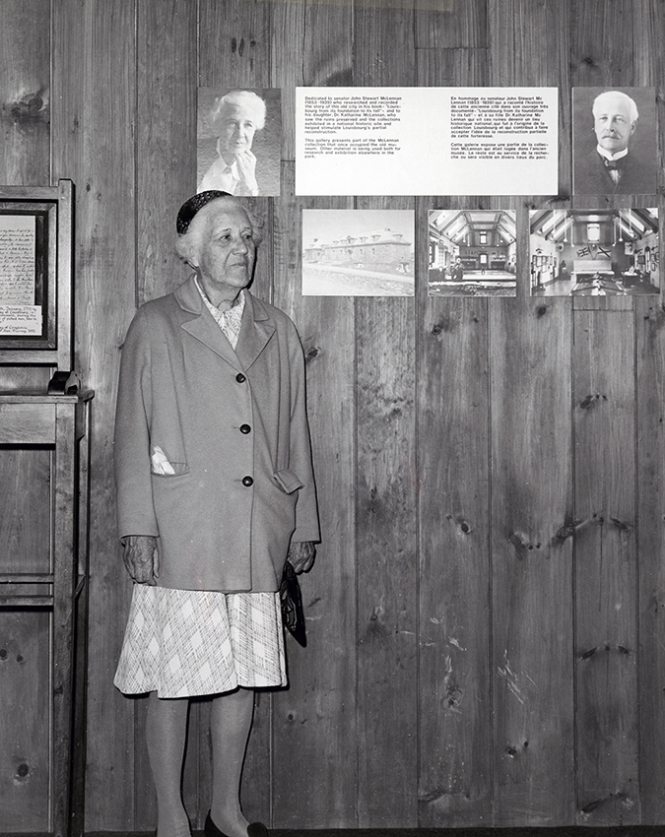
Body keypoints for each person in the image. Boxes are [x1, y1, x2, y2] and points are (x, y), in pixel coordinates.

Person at [113, 190, 320, 837]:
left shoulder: (277, 328)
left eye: (248, 238)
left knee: (241, 676)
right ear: (193, 251)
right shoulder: (156, 322)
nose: (242, 249)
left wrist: (303, 523)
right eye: (226, 238)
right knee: (174, 676)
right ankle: (170, 816)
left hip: (258, 525)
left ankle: (225, 810)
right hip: (184, 526)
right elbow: (130, 431)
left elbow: (295, 433)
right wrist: (137, 525)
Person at [574, 90, 655, 195]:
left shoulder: (652, 175)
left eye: (619, 119)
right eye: (603, 118)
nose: (609, 127)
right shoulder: (573, 171)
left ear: (632, 127)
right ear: (595, 125)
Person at [198, 91, 266, 196]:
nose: (240, 134)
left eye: (248, 125)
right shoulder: (196, 153)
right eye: (232, 123)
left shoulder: (267, 168)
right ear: (218, 125)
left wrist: (251, 186)